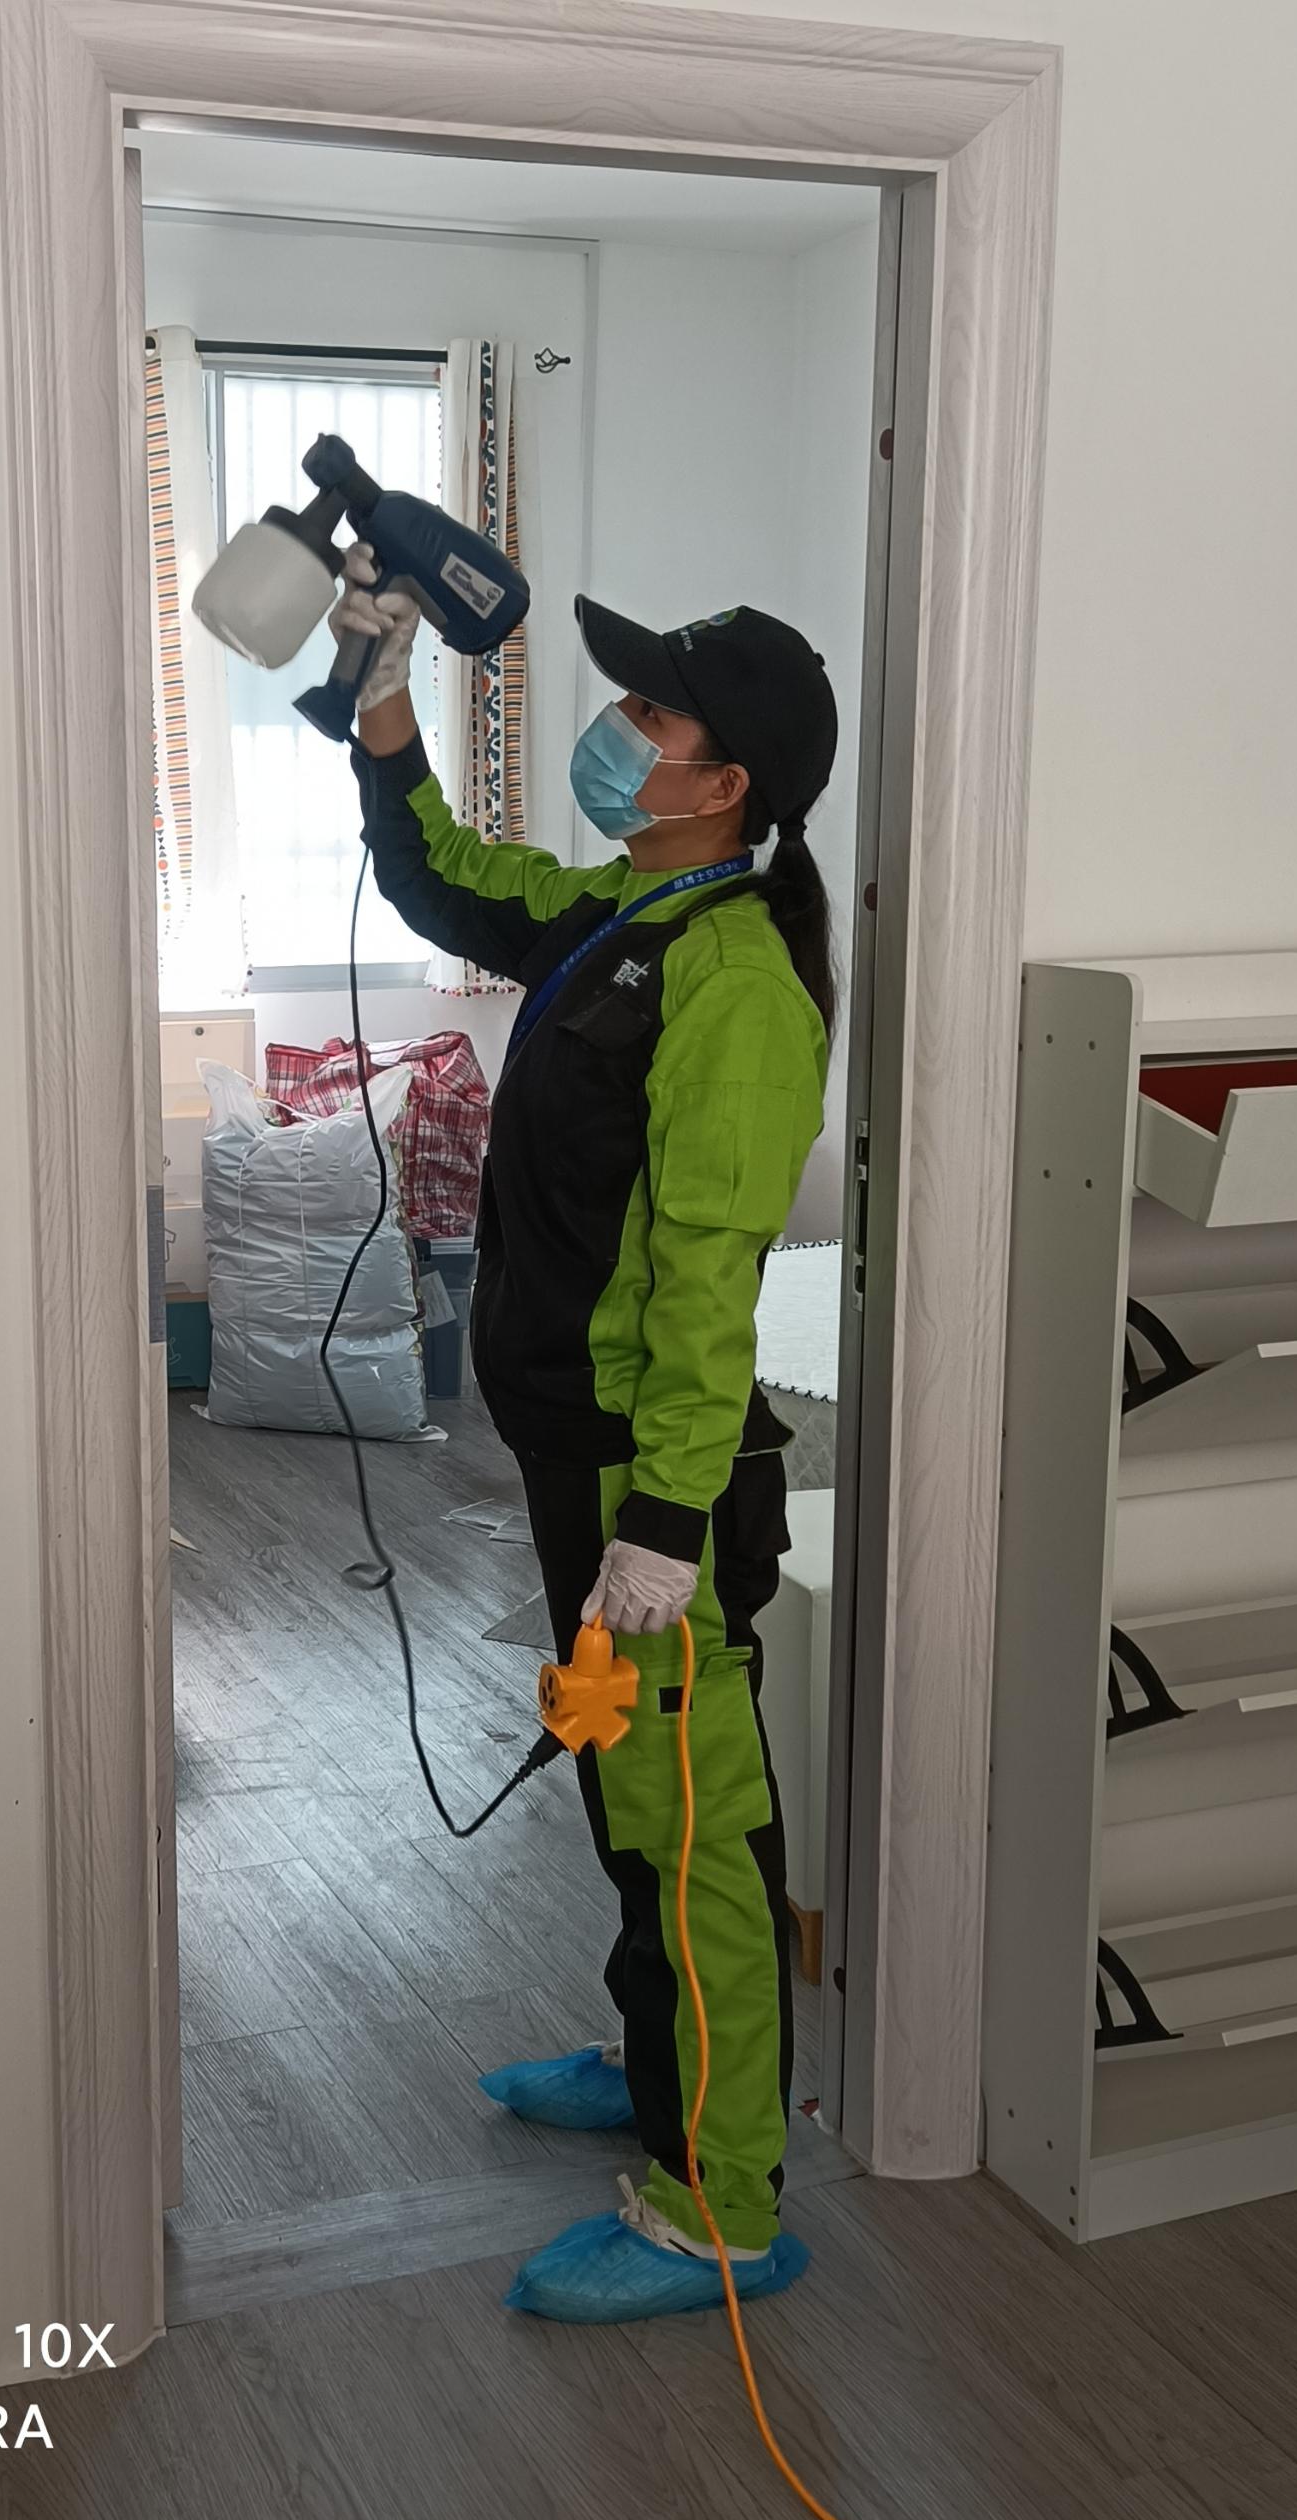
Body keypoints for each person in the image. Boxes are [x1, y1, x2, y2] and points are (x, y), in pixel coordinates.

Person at [335, 548, 836, 2325]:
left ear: (731, 782)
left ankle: (725, 2203)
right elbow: (448, 879)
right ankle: (651, 2066)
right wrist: (382, 702)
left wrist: (669, 1525)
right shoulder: (626, 920)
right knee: (626, 1785)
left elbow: (709, 1284)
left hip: (653, 1487)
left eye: (649, 715)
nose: (616, 732)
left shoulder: (738, 986)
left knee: (695, 1828)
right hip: (578, 1463)